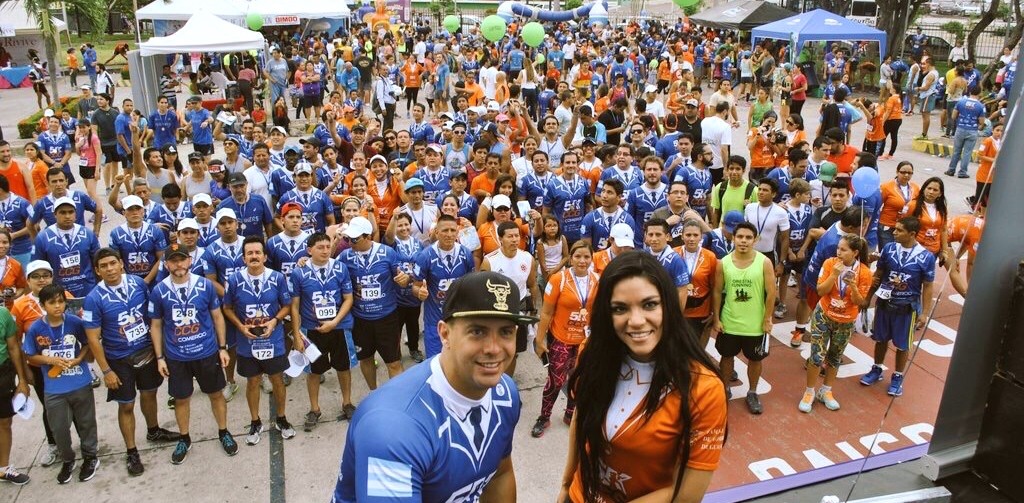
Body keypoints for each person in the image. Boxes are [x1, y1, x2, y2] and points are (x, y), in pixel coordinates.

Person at [332, 271, 535, 502]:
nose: (494, 348)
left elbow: (499, 474)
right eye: (477, 331)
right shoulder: (392, 429)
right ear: (444, 333)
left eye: (506, 332)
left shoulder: (505, 393)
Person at [558, 251, 726, 502]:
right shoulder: (593, 351)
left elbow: (685, 495)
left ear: (668, 305)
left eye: (649, 304)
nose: (636, 321)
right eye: (620, 308)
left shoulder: (704, 388)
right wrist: (566, 484)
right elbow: (581, 418)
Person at [82, 248, 180, 476]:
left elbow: (153, 317)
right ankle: (131, 450)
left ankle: (153, 430)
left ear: (121, 264)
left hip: (145, 351)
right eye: (104, 266)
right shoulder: (93, 299)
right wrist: (105, 370)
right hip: (118, 359)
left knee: (150, 393)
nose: (109, 269)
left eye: (112, 263)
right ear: (97, 271)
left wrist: (160, 353)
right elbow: (92, 338)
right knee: (126, 404)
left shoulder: (137, 284)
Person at [149, 243, 236, 464]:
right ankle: (184, 438)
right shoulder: (159, 290)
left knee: (216, 394)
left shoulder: (205, 285)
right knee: (181, 398)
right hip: (177, 356)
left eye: (182, 259)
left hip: (206, 351)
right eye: (173, 260)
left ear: (190, 261)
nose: (178, 264)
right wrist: (159, 358)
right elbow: (156, 325)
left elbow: (217, 317)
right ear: (166, 264)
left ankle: (223, 431)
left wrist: (222, 348)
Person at [223, 236, 297, 443]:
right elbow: (227, 307)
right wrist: (240, 326)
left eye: (257, 253)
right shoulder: (234, 280)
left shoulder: (277, 278)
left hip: (273, 339)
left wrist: (274, 321)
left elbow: (287, 305)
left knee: (276, 379)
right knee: (253, 381)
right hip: (247, 342)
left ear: (265, 256)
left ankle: (281, 418)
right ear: (244, 258)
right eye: (250, 253)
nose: (254, 256)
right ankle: (255, 421)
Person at [22, 284, 99, 484]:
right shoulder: (36, 328)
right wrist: (51, 361)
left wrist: (78, 359)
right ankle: (68, 459)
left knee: (86, 422)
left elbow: (87, 344)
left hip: (79, 381)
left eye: (61, 301)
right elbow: (30, 354)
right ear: (43, 305)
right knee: (59, 427)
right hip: (54, 387)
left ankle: (90, 457)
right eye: (52, 302)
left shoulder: (74, 322)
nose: (57, 306)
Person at [861, 217, 936, 397]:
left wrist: (925, 313)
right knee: (880, 339)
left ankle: (897, 376)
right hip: (884, 303)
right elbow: (878, 275)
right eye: (895, 229)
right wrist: (867, 298)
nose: (894, 233)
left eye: (899, 230)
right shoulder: (888, 249)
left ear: (911, 234)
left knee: (903, 345)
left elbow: (928, 286)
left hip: (906, 308)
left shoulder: (926, 257)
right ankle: (877, 368)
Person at [799, 235, 872, 413]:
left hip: (846, 321)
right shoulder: (829, 263)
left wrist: (853, 286)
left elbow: (859, 302)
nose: (838, 252)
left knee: (835, 357)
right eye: (838, 248)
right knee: (816, 356)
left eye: (843, 249)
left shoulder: (864, 272)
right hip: (823, 316)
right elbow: (820, 290)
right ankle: (809, 392)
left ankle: (826, 391)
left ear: (855, 252)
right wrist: (834, 275)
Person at [532, 241, 596, 438]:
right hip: (561, 339)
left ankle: (570, 414)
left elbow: (597, 312)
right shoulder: (559, 279)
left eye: (586, 257)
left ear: (591, 259)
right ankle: (544, 417)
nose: (582, 261)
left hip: (584, 341)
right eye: (578, 256)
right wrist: (540, 340)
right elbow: (546, 313)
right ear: (571, 258)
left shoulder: (597, 280)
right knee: (555, 380)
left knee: (579, 379)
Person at [712, 221, 776, 414]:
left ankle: (752, 392)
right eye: (740, 237)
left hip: (755, 324)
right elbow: (717, 292)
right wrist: (716, 318)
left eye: (748, 237)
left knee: (755, 360)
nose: (744, 241)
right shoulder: (723, 263)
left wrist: (767, 319)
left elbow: (771, 293)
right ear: (733, 238)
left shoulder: (764, 262)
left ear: (755, 240)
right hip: (730, 321)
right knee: (726, 357)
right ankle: (724, 388)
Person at [338, 216, 408, 389]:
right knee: (366, 359)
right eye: (348, 239)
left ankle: (394, 400)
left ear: (367, 236)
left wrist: (404, 279)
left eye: (354, 239)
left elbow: (402, 276)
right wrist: (304, 261)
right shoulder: (345, 256)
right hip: (361, 320)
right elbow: (327, 267)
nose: (350, 242)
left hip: (387, 317)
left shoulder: (387, 253)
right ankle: (373, 393)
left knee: (393, 363)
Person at [410, 214, 476, 358]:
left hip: (459, 318)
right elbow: (415, 286)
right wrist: (419, 293)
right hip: (435, 320)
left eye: (453, 230)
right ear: (436, 232)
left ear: (457, 231)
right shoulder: (425, 256)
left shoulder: (465, 254)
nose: (449, 234)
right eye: (445, 230)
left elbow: (471, 284)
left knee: (461, 360)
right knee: (435, 362)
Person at [480, 222, 540, 377]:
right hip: (496, 312)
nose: (514, 240)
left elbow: (532, 285)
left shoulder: (527, 258)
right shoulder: (489, 261)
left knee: (513, 352)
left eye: (516, 236)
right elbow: (482, 290)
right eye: (510, 236)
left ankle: (507, 382)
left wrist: (533, 310)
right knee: (495, 351)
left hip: (518, 310)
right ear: (500, 239)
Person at [33, 197, 101, 298]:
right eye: (63, 212)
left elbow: (98, 262)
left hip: (88, 291)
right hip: (58, 295)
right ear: (55, 214)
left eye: (71, 212)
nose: (67, 216)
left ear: (75, 214)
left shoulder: (88, 234)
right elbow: (38, 268)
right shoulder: (43, 238)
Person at [0, 299, 30, 485]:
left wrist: (23, 381)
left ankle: (3, 468)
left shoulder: (3, 314)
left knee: (4, 421)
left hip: (3, 374)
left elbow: (13, 347)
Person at [944, 86, 985, 179]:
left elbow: (953, 116)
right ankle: (962, 172)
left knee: (956, 151)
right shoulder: (980, 106)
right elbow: (982, 122)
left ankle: (951, 170)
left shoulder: (961, 102)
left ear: (970, 92)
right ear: (979, 93)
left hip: (960, 128)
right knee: (967, 152)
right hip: (972, 130)